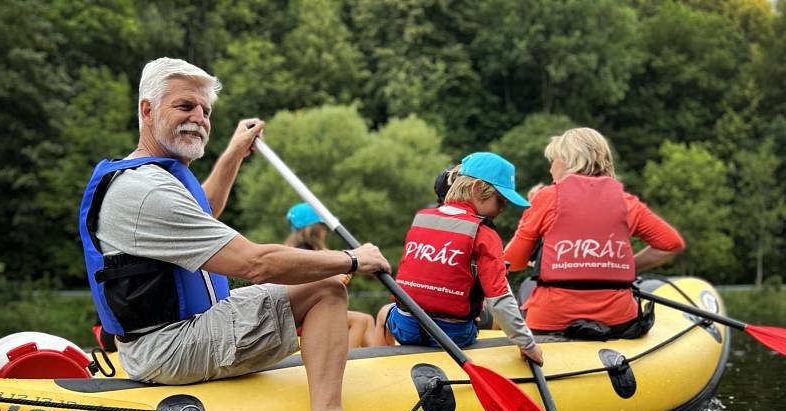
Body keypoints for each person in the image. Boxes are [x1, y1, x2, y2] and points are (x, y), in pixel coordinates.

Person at [78, 57, 404, 411]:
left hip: (163, 339)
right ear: (147, 110)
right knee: (326, 288)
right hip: (171, 347)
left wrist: (233, 154)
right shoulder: (149, 191)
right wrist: (352, 260)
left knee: (319, 282)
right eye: (184, 106)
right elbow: (255, 264)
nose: (198, 118)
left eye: (205, 111)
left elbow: (203, 213)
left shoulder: (143, 175)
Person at [504, 127, 685, 338]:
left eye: (553, 161)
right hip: (619, 320)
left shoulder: (545, 198)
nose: (551, 169)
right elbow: (672, 244)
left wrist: (532, 211)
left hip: (551, 320)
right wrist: (620, 266)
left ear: (567, 160)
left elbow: (511, 262)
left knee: (526, 286)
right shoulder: (627, 203)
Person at [373, 153, 543, 365]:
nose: (502, 209)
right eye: (500, 200)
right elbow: (500, 301)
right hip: (454, 335)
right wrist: (528, 344)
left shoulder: (422, 219)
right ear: (477, 189)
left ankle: (383, 365)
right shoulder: (485, 234)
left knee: (384, 312)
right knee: (479, 316)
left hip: (405, 327)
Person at [284, 202, 377, 348]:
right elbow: (300, 284)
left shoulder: (303, 250)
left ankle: (378, 364)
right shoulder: (302, 253)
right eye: (323, 227)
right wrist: (333, 277)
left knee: (368, 319)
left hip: (308, 311)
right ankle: (345, 365)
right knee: (360, 321)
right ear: (314, 229)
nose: (325, 231)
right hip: (302, 317)